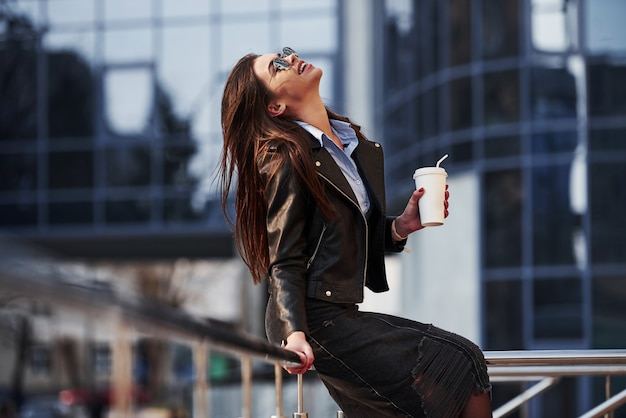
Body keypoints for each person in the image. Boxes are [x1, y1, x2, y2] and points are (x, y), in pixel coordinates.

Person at [219, 47, 492, 418]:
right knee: (461, 361)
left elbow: (337, 238)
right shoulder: (286, 156)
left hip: (338, 313)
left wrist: (399, 227)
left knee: (455, 375)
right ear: (275, 107)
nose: (290, 57)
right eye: (277, 65)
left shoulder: (350, 147)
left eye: (285, 52)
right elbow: (284, 257)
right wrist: (293, 332)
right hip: (311, 321)